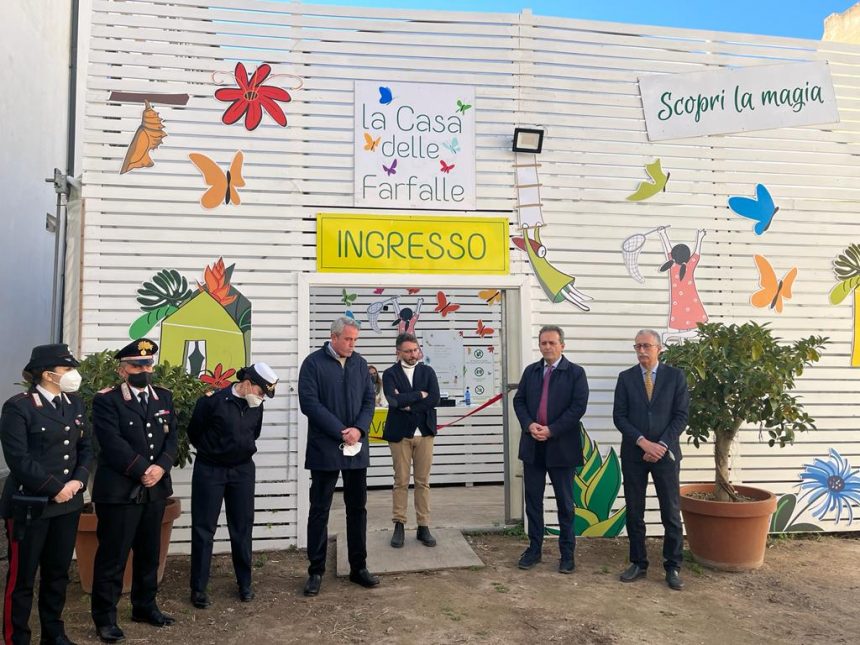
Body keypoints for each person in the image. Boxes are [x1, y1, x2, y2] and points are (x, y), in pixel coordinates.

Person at [1, 344, 92, 645]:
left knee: (57, 574)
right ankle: (18, 638)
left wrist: (77, 483)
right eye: (67, 370)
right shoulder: (19, 406)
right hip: (32, 505)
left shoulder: (75, 403)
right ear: (47, 373)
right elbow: (18, 459)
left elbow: (86, 448)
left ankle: (54, 633)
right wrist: (56, 488)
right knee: (22, 579)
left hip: (68, 505)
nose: (73, 375)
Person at [90, 339, 178, 643]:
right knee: (112, 557)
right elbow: (111, 443)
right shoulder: (107, 400)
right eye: (136, 365)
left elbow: (172, 439)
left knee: (149, 553)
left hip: (155, 489)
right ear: (122, 369)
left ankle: (144, 606)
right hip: (120, 492)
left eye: (148, 364)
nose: (144, 369)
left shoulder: (163, 397)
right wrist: (143, 468)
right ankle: (105, 618)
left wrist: (161, 467)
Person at [187, 363, 279, 609]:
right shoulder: (212, 402)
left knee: (242, 527)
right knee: (204, 529)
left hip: (242, 470)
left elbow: (253, 434)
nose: (261, 397)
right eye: (261, 391)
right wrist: (214, 452)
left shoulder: (255, 407)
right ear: (248, 382)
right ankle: (198, 588)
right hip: (210, 469)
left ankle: (244, 583)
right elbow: (194, 433)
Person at [298, 316, 378, 596]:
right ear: (333, 337)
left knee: (358, 508)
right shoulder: (313, 364)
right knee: (320, 509)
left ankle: (359, 568)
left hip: (356, 448)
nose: (352, 345)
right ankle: (316, 571)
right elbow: (309, 403)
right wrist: (340, 431)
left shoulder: (359, 364)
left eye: (355, 340)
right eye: (348, 339)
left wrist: (358, 429)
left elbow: (370, 400)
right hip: (325, 448)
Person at [613, 329, 689, 591]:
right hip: (634, 454)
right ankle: (638, 562)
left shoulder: (675, 377)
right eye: (637, 346)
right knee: (635, 510)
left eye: (646, 346)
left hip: (665, 455)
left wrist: (661, 445)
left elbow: (681, 415)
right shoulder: (626, 378)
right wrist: (643, 442)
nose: (641, 351)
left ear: (659, 349)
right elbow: (619, 417)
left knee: (670, 510)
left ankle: (673, 566)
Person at [513, 325, 589, 574]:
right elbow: (519, 400)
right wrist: (529, 424)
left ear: (562, 345)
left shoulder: (575, 373)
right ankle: (534, 549)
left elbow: (578, 408)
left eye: (552, 343)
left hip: (562, 448)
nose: (547, 347)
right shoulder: (531, 371)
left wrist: (552, 429)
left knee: (565, 503)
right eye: (543, 342)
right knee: (533, 501)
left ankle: (567, 554)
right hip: (533, 446)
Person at [381, 333, 440, 548]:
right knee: (401, 481)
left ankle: (423, 526)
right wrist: (419, 395)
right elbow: (393, 400)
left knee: (423, 481)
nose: (413, 354)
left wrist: (409, 402)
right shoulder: (389, 374)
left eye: (415, 350)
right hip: (399, 435)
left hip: (424, 433)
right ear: (398, 352)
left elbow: (435, 398)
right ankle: (399, 525)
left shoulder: (428, 371)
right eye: (407, 351)